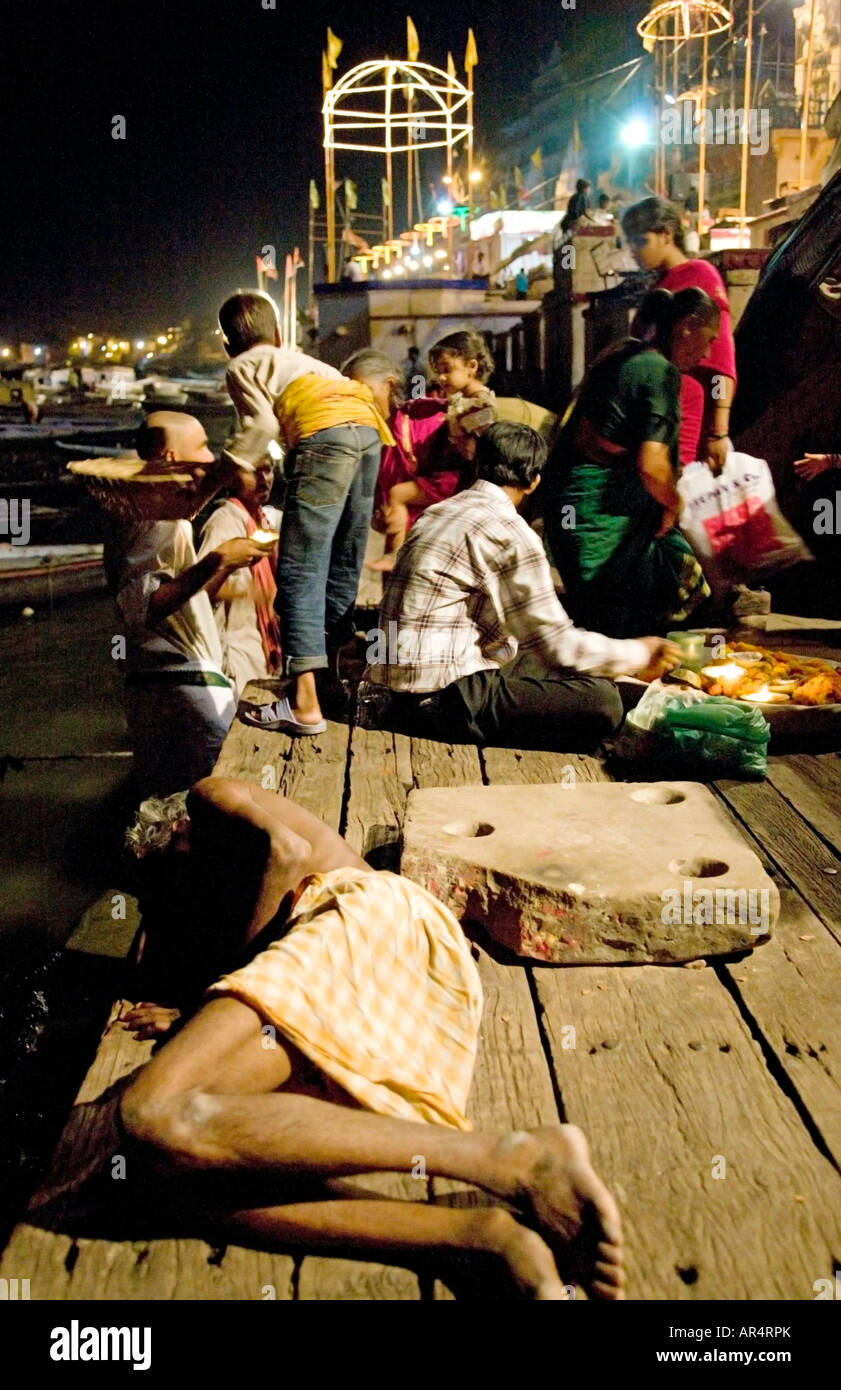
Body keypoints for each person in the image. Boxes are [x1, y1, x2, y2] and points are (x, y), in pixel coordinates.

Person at [118, 776, 625, 1301]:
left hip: (364, 913)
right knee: (157, 1173)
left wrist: (207, 1008)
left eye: (173, 874)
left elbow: (285, 851)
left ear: (176, 832)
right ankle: (481, 1239)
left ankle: (509, 1159)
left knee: (150, 1113)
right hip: (409, 971)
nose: (186, 895)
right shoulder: (229, 871)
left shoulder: (208, 798)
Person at [365, 421, 680, 751]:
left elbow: (533, 640)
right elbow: (558, 647)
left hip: (398, 695)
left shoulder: (437, 512)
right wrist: (640, 652)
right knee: (602, 702)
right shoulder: (510, 532)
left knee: (548, 665)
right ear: (533, 481)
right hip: (445, 702)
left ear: (479, 465)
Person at [219, 291, 392, 735]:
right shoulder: (304, 361)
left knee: (299, 571)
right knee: (343, 561)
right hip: (368, 431)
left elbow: (260, 428)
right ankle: (333, 684)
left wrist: (224, 472)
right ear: (277, 335)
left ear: (228, 344)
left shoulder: (240, 366)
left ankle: (305, 703)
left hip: (324, 436)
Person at [102, 412, 274, 795]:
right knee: (220, 796)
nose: (209, 457)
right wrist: (220, 559)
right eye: (201, 447)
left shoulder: (151, 506)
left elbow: (195, 501)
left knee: (167, 808)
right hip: (180, 685)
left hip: (155, 686)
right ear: (169, 454)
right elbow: (144, 607)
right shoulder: (148, 515)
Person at [542, 288, 717, 640]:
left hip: (579, 506)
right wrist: (676, 503)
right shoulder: (657, 370)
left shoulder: (626, 355)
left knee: (609, 615)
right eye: (708, 339)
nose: (708, 352)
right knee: (617, 619)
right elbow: (652, 465)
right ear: (686, 326)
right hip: (600, 513)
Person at [621, 196, 736, 473]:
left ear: (666, 234)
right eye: (631, 243)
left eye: (640, 241)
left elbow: (721, 361)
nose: (634, 252)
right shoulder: (660, 286)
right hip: (657, 417)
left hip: (689, 418)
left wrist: (717, 432)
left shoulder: (700, 275)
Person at [343, 349, 464, 574]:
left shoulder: (425, 416)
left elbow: (457, 477)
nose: (357, 400)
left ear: (389, 385)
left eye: (364, 390)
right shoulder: (369, 439)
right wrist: (381, 519)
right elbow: (382, 504)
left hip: (441, 550)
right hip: (401, 564)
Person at [197, 456, 282, 698]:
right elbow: (198, 592)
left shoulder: (260, 519)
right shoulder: (224, 520)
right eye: (254, 472)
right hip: (236, 650)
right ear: (232, 477)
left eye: (268, 471)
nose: (263, 479)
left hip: (260, 644)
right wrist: (247, 592)